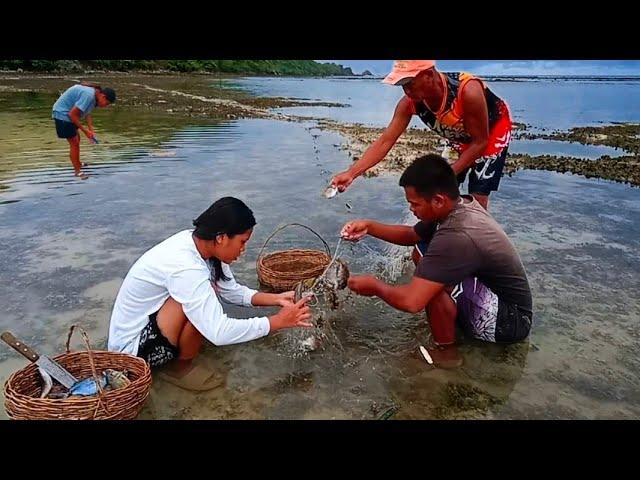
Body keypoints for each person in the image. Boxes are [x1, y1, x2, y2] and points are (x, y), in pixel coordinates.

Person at [341, 154, 532, 368]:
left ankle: (447, 353)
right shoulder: (456, 207)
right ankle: (449, 318)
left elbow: (412, 302)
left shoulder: (457, 234)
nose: (411, 209)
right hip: (498, 303)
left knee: (429, 282)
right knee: (423, 251)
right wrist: (369, 227)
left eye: (414, 204)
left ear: (438, 200)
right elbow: (412, 235)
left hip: (509, 324)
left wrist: (375, 286)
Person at [108, 197, 312, 391]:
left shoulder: (200, 244)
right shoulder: (186, 267)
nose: (244, 249)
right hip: (131, 355)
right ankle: (180, 369)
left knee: (205, 296)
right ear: (221, 238)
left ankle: (181, 348)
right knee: (203, 300)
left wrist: (275, 299)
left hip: (151, 323)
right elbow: (219, 332)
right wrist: (277, 321)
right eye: (242, 242)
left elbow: (231, 291)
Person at [331, 60, 512, 210]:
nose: (407, 90)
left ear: (429, 74)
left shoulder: (468, 90)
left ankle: (476, 239)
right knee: (439, 193)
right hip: (458, 134)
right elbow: (386, 141)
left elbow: (480, 142)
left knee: (477, 198)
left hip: (490, 133)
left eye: (410, 83)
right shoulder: (409, 103)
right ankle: (441, 234)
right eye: (403, 85)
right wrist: (352, 173)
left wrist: (447, 173)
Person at [52, 82, 116, 178]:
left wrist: (91, 130)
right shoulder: (89, 95)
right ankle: (77, 171)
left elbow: (87, 113)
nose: (105, 106)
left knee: (77, 140)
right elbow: (72, 114)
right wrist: (85, 131)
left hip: (69, 114)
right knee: (74, 143)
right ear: (103, 96)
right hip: (62, 114)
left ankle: (78, 163)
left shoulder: (94, 96)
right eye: (106, 104)